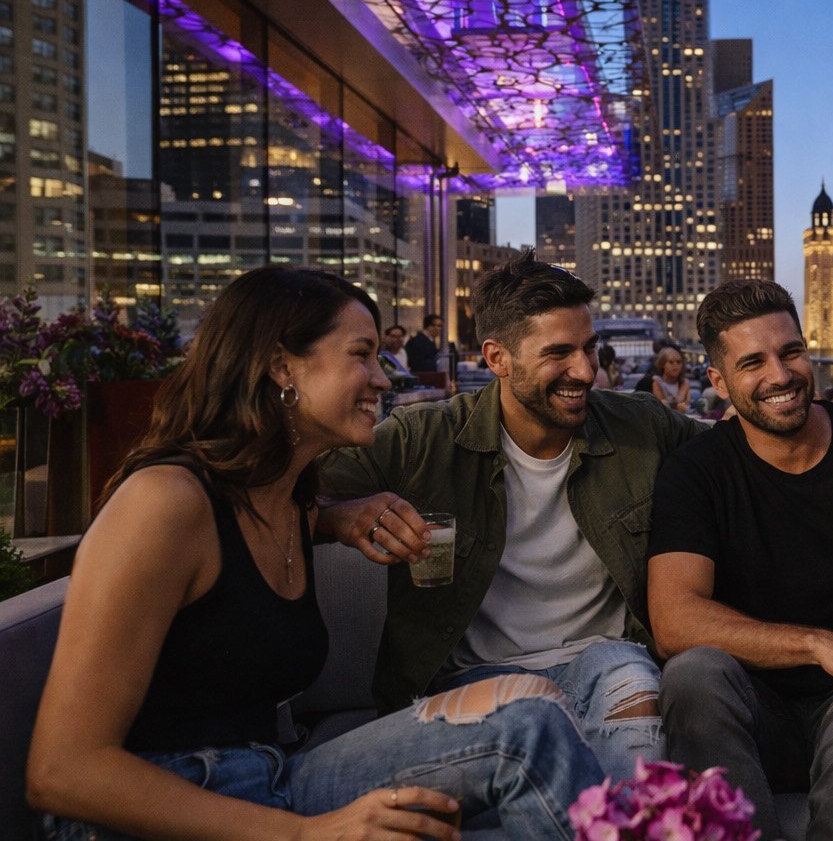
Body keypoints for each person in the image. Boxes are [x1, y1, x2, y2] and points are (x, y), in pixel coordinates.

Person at [27, 268, 601, 840]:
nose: (381, 379)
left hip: (274, 776)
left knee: (532, 728)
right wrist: (307, 834)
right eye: (361, 355)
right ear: (281, 366)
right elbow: (62, 772)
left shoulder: (289, 504)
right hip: (161, 808)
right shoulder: (164, 503)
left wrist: (332, 516)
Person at [319, 252, 702, 781]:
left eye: (589, 349)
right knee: (536, 714)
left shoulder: (639, 426)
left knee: (634, 679)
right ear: (497, 358)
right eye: (559, 353)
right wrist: (339, 517)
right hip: (470, 679)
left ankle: (625, 823)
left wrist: (830, 421)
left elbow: (736, 458)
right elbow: (290, 492)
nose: (586, 372)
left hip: (606, 659)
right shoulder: (421, 439)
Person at [648, 279, 833, 841]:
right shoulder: (698, 473)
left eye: (791, 352)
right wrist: (820, 644)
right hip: (757, 710)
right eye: (753, 362)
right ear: (719, 382)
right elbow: (673, 620)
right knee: (691, 673)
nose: (780, 376)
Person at [650, 345, 692, 413]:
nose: (675, 365)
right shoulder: (657, 382)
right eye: (671, 362)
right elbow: (662, 406)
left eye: (678, 362)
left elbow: (687, 405)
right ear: (662, 364)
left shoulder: (685, 382)